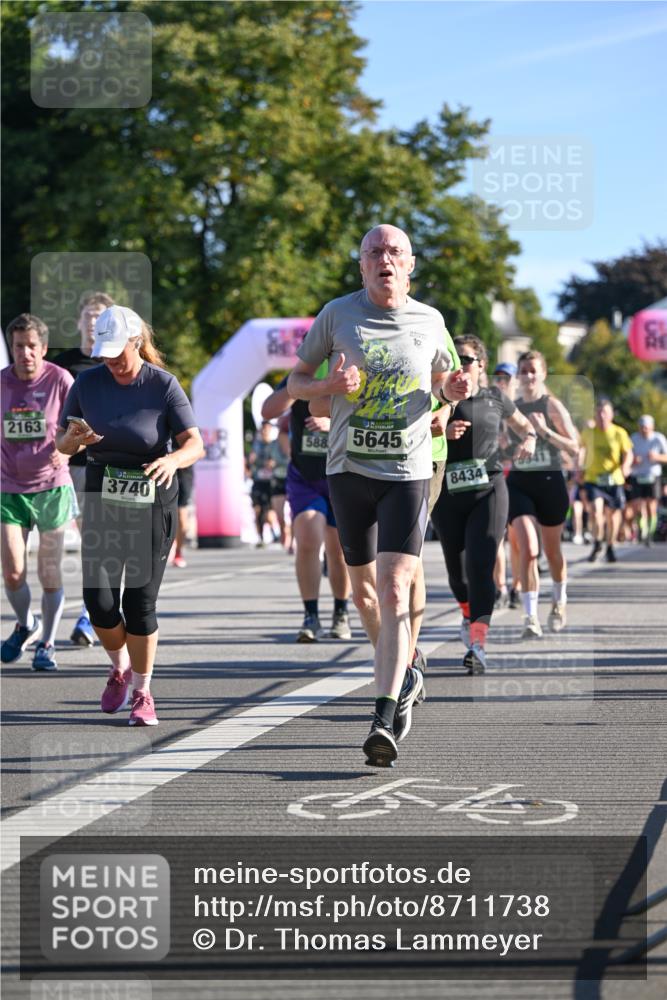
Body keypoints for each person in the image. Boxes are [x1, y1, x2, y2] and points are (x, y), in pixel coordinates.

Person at [287, 223, 471, 767]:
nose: (384, 260)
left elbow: (451, 385)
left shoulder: (431, 321)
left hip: (409, 469)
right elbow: (295, 385)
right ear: (361, 265)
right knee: (366, 595)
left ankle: (383, 717)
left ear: (410, 265)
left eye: (394, 252)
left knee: (394, 590)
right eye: (374, 253)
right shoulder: (336, 315)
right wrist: (327, 388)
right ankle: (406, 667)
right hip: (348, 469)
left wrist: (452, 395)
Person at [55, 305, 204, 726]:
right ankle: (118, 667)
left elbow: (195, 443)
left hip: (152, 496)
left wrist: (173, 461)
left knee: (139, 604)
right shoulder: (87, 382)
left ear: (137, 342)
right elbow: (63, 446)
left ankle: (142, 690)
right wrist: (74, 440)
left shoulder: (163, 385)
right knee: (99, 601)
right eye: (104, 353)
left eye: (118, 351)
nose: (111, 361)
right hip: (103, 493)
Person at [431, 336, 538, 673]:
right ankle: (467, 613)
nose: (459, 364)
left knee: (481, 564)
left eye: (465, 358)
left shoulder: (495, 398)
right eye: (453, 358)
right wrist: (440, 433)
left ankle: (478, 643)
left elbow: (525, 426)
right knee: (457, 572)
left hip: (488, 490)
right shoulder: (436, 399)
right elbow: (414, 434)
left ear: (480, 365)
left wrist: (531, 440)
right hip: (446, 493)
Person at [1, 313, 75, 671]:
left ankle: (47, 642)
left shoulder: (61, 379)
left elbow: (80, 427)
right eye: (18, 346)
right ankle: (25, 624)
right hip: (8, 487)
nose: (25, 353)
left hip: (52, 487)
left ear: (43, 348)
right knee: (13, 572)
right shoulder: (1, 383)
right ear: (11, 348)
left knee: (49, 572)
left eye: (32, 346)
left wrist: (67, 447)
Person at [262, 366, 352, 642]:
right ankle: (311, 615)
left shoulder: (354, 371)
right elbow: (268, 411)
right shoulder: (300, 374)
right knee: (308, 538)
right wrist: (297, 388)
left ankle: (341, 612)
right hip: (305, 475)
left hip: (342, 472)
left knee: (337, 550)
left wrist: (332, 419)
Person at [53, 290, 114, 645]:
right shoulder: (61, 364)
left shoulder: (113, 363)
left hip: (102, 465)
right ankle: (41, 621)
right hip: (64, 464)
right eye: (88, 316)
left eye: (100, 318)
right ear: (78, 321)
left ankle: (90, 615)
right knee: (55, 545)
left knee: (96, 540)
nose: (93, 323)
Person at [506, 351, 580, 638]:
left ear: (543, 374)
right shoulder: (511, 407)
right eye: (523, 370)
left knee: (552, 552)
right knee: (528, 548)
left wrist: (544, 431)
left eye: (533, 370)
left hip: (550, 483)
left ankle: (559, 601)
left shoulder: (552, 405)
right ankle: (530, 617)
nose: (528, 375)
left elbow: (574, 448)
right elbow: (502, 446)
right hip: (520, 483)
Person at [581, 400, 633, 564]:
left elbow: (628, 453)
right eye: (598, 413)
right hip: (593, 478)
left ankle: (610, 545)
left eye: (605, 412)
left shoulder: (619, 432)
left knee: (613, 515)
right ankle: (597, 543)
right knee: (596, 512)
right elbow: (581, 449)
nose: (601, 416)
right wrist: (578, 467)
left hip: (614, 479)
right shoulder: (589, 432)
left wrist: (625, 466)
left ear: (611, 415)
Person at [629, 414, 667, 545]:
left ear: (652, 427)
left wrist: (657, 457)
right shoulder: (633, 438)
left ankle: (650, 534)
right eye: (641, 427)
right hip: (637, 475)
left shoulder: (659, 438)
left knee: (651, 506)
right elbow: (627, 457)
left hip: (653, 476)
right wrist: (633, 460)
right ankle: (643, 531)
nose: (644, 430)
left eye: (646, 427)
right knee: (639, 506)